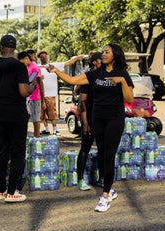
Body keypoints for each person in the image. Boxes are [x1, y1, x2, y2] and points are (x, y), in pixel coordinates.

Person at [46, 43, 134, 212]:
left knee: (109, 155)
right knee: (102, 154)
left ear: (115, 54)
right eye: (103, 52)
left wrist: (122, 81)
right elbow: (72, 80)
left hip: (114, 119)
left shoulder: (122, 74)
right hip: (98, 118)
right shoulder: (95, 74)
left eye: (107, 52)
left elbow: (129, 99)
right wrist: (56, 71)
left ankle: (106, 195)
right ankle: (111, 188)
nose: (103, 54)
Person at [0, 34, 36, 203]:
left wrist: (1, 91)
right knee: (18, 152)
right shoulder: (19, 67)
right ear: (14, 48)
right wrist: (32, 86)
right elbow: (23, 92)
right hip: (16, 114)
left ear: (0, 47)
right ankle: (12, 191)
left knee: (2, 151)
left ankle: (0, 190)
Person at [37, 51, 84, 136]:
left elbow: (68, 62)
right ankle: (46, 128)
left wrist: (78, 57)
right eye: (42, 57)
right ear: (39, 58)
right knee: (42, 114)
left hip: (50, 94)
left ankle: (55, 129)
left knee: (52, 113)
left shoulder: (54, 65)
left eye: (45, 56)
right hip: (39, 94)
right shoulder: (37, 67)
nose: (44, 58)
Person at [76, 52, 102, 191]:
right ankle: (80, 179)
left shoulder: (106, 75)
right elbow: (82, 101)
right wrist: (85, 122)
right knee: (85, 148)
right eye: (100, 59)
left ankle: (102, 178)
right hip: (89, 118)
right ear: (94, 62)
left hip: (101, 118)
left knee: (103, 149)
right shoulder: (88, 77)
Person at [18, 51, 45, 137]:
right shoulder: (27, 67)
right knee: (31, 118)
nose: (22, 64)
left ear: (26, 58)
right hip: (29, 97)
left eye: (22, 62)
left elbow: (40, 83)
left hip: (35, 97)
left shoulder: (34, 67)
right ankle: (34, 138)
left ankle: (36, 138)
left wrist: (43, 101)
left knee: (36, 120)